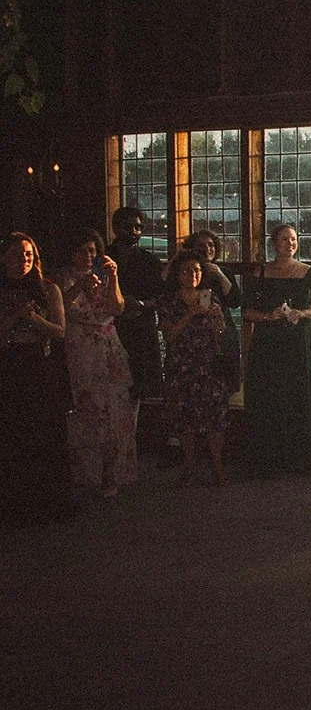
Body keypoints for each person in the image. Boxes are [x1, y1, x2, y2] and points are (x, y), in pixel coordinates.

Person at [54, 228, 138, 498]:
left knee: (114, 409)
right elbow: (60, 309)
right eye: (82, 251)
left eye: (92, 250)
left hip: (108, 345)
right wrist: (78, 286)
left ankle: (112, 473)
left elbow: (117, 308)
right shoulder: (62, 277)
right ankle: (85, 473)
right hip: (80, 347)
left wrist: (113, 278)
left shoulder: (105, 274)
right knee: (87, 409)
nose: (87, 256)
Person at [242, 224, 311, 473]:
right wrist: (268, 316)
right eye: (283, 239)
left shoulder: (308, 272)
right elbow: (246, 311)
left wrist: (302, 312)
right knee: (270, 396)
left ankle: (300, 460)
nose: (289, 244)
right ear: (273, 243)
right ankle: (268, 459)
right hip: (268, 345)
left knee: (298, 396)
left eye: (293, 239)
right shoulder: (260, 273)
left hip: (299, 344)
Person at [1, 231, 69, 509]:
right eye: (17, 255)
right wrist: (17, 316)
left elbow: (60, 331)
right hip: (8, 365)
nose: (23, 261)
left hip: (38, 366)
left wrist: (34, 320)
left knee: (41, 430)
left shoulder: (47, 289)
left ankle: (44, 497)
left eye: (28, 255)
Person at [158, 251, 231, 486]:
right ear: (178, 274)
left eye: (198, 271)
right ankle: (189, 466)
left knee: (214, 418)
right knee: (184, 418)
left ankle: (218, 466)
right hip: (182, 366)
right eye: (187, 270)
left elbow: (220, 339)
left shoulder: (210, 299)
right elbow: (169, 336)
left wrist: (218, 321)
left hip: (209, 366)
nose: (193, 275)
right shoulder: (169, 302)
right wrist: (190, 314)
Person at [106, 206, 165, 404]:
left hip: (141, 331)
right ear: (115, 227)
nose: (134, 231)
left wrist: (139, 304)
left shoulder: (150, 261)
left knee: (140, 390)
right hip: (112, 329)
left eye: (138, 228)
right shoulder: (105, 258)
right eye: (128, 226)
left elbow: (161, 296)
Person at [182, 230, 242, 396]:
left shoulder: (224, 272)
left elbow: (235, 302)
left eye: (211, 245)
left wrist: (220, 275)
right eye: (201, 245)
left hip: (221, 332)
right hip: (193, 333)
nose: (207, 248)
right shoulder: (186, 272)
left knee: (223, 386)